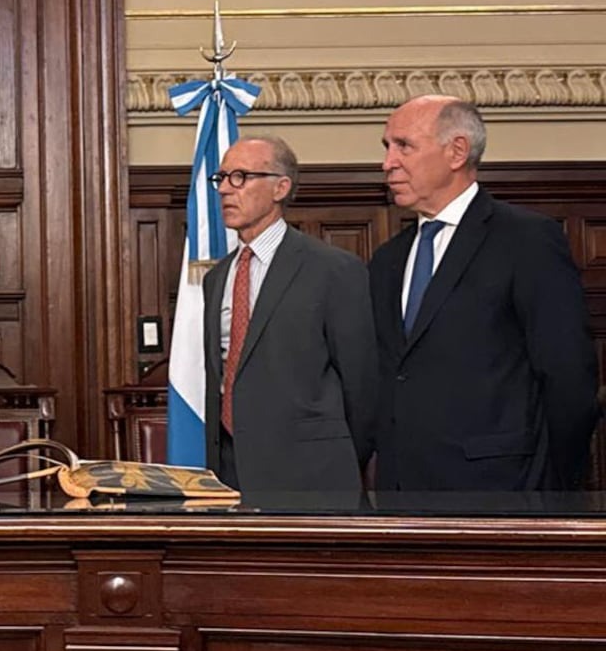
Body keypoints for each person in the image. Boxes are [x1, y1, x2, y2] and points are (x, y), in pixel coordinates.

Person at [369, 95, 599, 490]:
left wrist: (553, 488)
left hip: (503, 488)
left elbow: (568, 376)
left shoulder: (526, 240)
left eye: (403, 146)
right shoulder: (389, 258)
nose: (388, 162)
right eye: (387, 147)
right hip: (402, 491)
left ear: (457, 151)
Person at [202, 136, 376, 492]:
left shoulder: (332, 269)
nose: (224, 189)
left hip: (314, 475)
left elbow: (362, 385)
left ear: (280, 188)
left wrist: (338, 458)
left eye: (240, 177)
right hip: (232, 472)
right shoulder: (216, 278)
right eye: (221, 178)